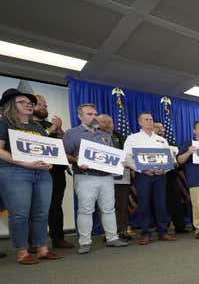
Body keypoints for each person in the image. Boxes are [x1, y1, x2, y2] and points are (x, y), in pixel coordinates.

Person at [0, 88, 62, 264]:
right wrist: (23, 163)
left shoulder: (37, 126)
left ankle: (42, 248)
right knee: (19, 214)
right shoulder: (4, 122)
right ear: (11, 105)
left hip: (42, 173)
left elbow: (46, 148)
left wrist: (49, 161)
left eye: (30, 103)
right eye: (23, 102)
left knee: (41, 213)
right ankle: (22, 252)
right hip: (14, 172)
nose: (28, 105)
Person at [63, 104, 128, 254]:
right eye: (89, 114)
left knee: (109, 209)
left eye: (95, 114)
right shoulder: (71, 134)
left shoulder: (105, 136)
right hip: (85, 177)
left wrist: (119, 162)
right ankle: (85, 242)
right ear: (80, 116)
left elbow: (111, 157)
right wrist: (76, 159)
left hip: (106, 177)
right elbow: (64, 154)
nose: (94, 117)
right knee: (85, 210)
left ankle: (112, 238)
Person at [123, 112, 175, 245]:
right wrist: (142, 169)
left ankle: (163, 231)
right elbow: (127, 158)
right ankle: (145, 233)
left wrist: (165, 169)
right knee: (144, 204)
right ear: (140, 122)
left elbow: (170, 159)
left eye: (151, 119)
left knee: (161, 203)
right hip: (143, 175)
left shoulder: (161, 140)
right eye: (146, 119)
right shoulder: (132, 138)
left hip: (160, 176)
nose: (150, 122)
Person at [33, 94, 73, 248]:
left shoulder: (51, 125)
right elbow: (38, 141)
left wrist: (60, 130)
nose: (44, 108)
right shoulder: (27, 124)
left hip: (56, 170)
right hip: (37, 169)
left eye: (46, 105)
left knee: (56, 206)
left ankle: (58, 238)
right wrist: (52, 129)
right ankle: (34, 242)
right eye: (40, 105)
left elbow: (64, 145)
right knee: (36, 207)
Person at [97, 114, 131, 240]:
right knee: (105, 205)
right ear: (97, 123)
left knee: (122, 204)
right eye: (103, 122)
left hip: (122, 176)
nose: (107, 124)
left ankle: (122, 230)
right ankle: (109, 233)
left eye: (109, 122)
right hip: (102, 176)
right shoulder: (94, 137)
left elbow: (128, 155)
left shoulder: (121, 137)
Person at [154, 121, 188, 234]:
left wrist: (176, 162)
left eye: (161, 128)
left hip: (171, 175)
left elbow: (178, 161)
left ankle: (180, 226)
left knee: (176, 201)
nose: (160, 130)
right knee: (157, 202)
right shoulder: (148, 143)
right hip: (154, 175)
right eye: (157, 128)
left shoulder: (170, 143)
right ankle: (161, 227)